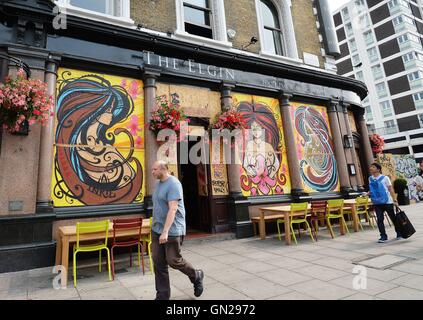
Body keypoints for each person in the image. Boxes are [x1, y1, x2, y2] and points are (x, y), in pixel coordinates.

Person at [151, 160, 204, 300]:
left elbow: (173, 209)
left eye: (155, 169)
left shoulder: (174, 184)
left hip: (172, 230)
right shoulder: (158, 184)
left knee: (173, 260)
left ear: (163, 169)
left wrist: (165, 231)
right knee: (158, 262)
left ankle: (196, 274)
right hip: (156, 229)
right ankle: (162, 296)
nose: (152, 172)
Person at [366, 163, 402, 243]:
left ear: (378, 169)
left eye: (373, 167)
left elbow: (390, 189)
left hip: (387, 201)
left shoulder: (385, 178)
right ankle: (383, 236)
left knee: (393, 218)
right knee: (379, 220)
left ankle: (399, 233)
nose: (371, 168)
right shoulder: (370, 178)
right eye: (371, 166)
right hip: (377, 202)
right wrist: (367, 193)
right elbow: (372, 190)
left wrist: (395, 200)